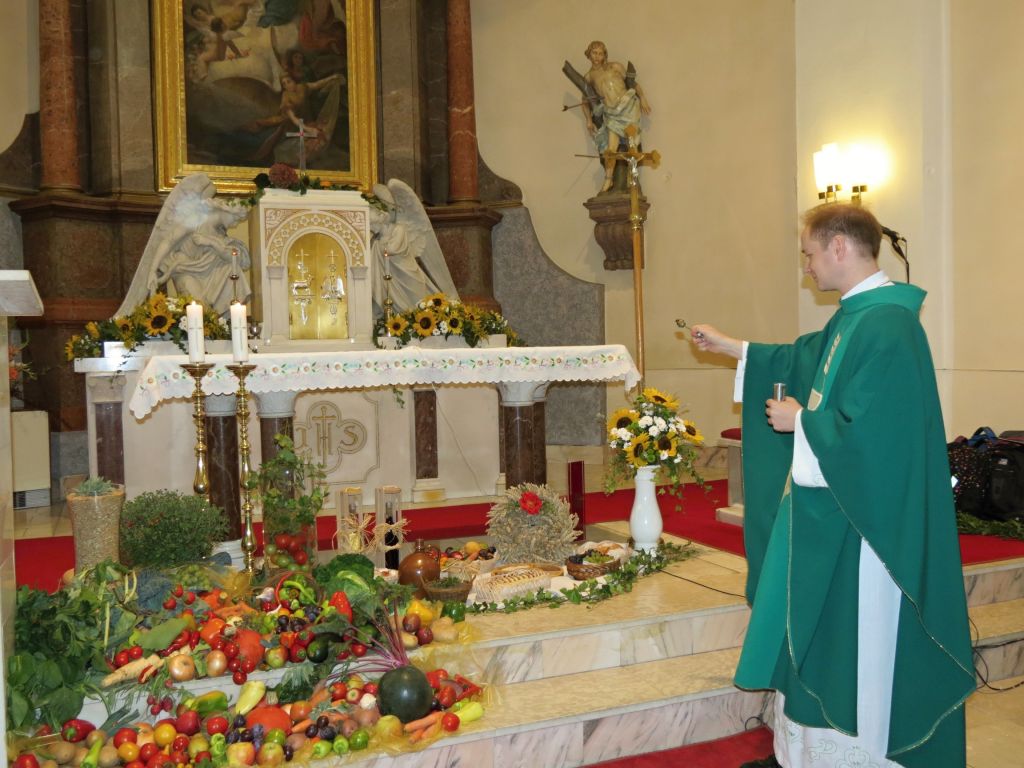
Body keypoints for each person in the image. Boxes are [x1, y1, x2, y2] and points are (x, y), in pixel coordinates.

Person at [690, 204, 974, 768]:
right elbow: (804, 359)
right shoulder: (856, 318)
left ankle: (853, 755)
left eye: (810, 254)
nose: (807, 266)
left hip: (866, 530)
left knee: (854, 642)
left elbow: (878, 436)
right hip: (834, 511)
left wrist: (803, 421)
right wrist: (733, 348)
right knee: (821, 635)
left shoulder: (889, 326)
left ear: (839, 247)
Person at [581, 40, 651, 192]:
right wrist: (588, 120)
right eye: (594, 53)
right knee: (611, 149)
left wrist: (643, 97)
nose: (597, 57)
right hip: (612, 114)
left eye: (600, 53)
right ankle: (608, 179)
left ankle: (632, 179)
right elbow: (584, 102)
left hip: (628, 109)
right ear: (589, 54)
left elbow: (632, 83)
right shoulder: (589, 77)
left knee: (632, 146)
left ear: (604, 55)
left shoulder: (615, 66)